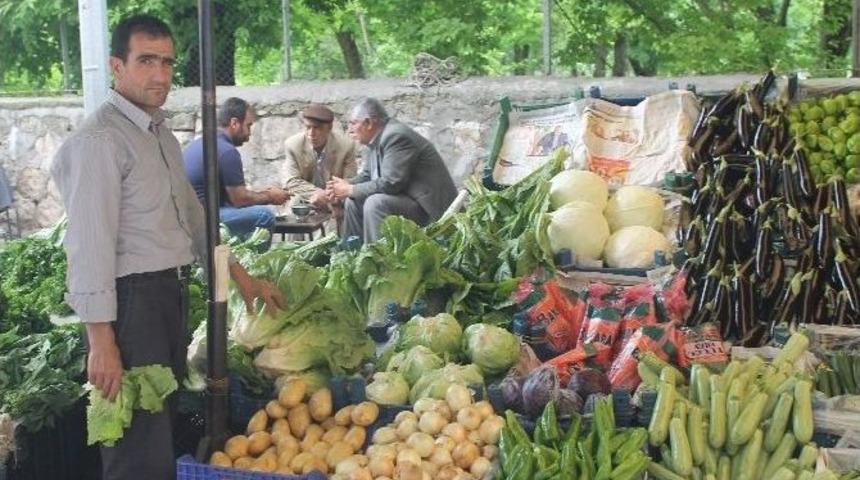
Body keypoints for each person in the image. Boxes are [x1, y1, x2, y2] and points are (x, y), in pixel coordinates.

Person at [50, 15, 283, 480]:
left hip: (167, 297)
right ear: (117, 66)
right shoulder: (100, 140)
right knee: (137, 440)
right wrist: (100, 340)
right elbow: (89, 245)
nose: (160, 75)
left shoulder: (159, 137)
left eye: (167, 62)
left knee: (157, 430)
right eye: (146, 61)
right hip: (131, 304)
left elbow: (194, 222)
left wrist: (241, 277)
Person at [327, 97, 457, 244]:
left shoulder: (396, 136)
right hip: (407, 200)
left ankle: (379, 260)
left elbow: (392, 182)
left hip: (428, 211)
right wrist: (341, 187)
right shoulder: (375, 139)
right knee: (353, 201)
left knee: (375, 203)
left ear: (369, 123)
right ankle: (353, 252)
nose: (349, 129)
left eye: (353, 123)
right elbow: (367, 175)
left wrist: (351, 189)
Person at [183, 97, 290, 238]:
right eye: (248, 126)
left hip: (191, 214)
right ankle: (254, 259)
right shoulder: (227, 151)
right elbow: (240, 200)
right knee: (264, 216)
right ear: (234, 123)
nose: (249, 134)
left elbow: (235, 196)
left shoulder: (201, 143)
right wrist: (270, 197)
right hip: (203, 218)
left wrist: (263, 192)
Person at [282, 103, 358, 219]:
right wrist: (316, 193)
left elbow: (350, 180)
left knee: (349, 205)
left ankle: (345, 237)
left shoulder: (346, 145)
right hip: (307, 197)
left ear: (329, 128)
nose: (311, 133)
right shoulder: (293, 145)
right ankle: (294, 236)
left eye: (317, 128)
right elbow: (291, 181)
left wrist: (331, 198)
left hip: (335, 198)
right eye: (308, 127)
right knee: (295, 203)